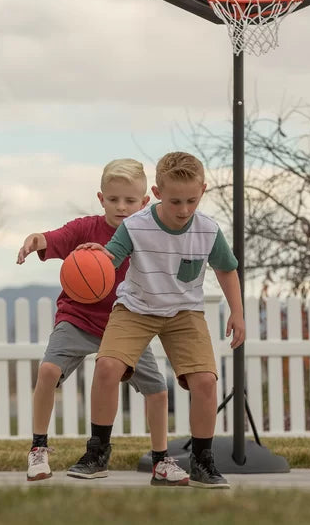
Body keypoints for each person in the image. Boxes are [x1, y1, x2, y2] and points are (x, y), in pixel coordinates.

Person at [77, 151, 245, 489]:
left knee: (206, 382)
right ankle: (97, 453)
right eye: (175, 201)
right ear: (156, 193)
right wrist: (96, 259)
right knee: (107, 366)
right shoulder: (135, 226)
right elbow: (111, 259)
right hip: (136, 307)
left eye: (191, 201)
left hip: (184, 312)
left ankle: (202, 461)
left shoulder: (208, 230)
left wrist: (237, 314)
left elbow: (226, 269)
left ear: (203, 191)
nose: (183, 210)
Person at [16, 158, 189, 486]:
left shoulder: (146, 236)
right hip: (78, 317)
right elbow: (50, 238)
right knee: (48, 371)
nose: (121, 207)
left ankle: (161, 460)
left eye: (129, 201)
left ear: (144, 202)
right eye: (113, 200)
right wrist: (33, 240)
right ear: (101, 199)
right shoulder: (85, 228)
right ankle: (38, 448)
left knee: (157, 390)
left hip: (126, 323)